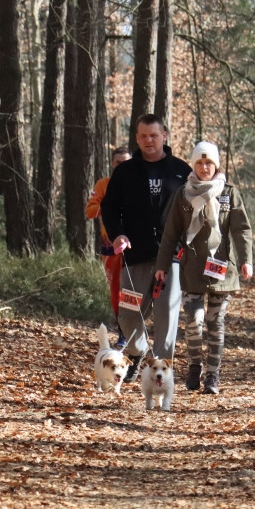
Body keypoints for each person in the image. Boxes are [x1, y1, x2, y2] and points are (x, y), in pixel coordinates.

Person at [155, 141, 252, 395]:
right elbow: (170, 233)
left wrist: (246, 261)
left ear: (216, 165)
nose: (205, 167)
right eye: (199, 162)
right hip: (192, 268)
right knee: (194, 322)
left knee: (215, 322)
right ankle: (195, 365)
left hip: (222, 269)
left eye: (209, 162)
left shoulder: (229, 193)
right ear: (194, 165)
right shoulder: (184, 193)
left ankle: (212, 376)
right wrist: (162, 266)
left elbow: (241, 229)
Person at [101, 114, 193, 381]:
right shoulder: (125, 172)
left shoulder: (181, 170)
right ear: (137, 138)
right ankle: (137, 350)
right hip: (136, 253)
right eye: (142, 136)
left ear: (164, 135)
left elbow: (195, 211)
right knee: (128, 316)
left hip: (172, 256)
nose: (147, 141)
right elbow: (109, 207)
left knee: (166, 317)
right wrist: (117, 235)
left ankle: (162, 373)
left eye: (153, 135)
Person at [85, 146, 132, 345]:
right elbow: (89, 211)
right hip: (109, 245)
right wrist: (109, 206)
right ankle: (123, 332)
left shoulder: (138, 184)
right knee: (116, 290)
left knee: (134, 288)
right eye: (118, 162)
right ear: (113, 164)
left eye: (126, 162)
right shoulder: (104, 184)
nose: (121, 166)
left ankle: (135, 331)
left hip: (135, 245)